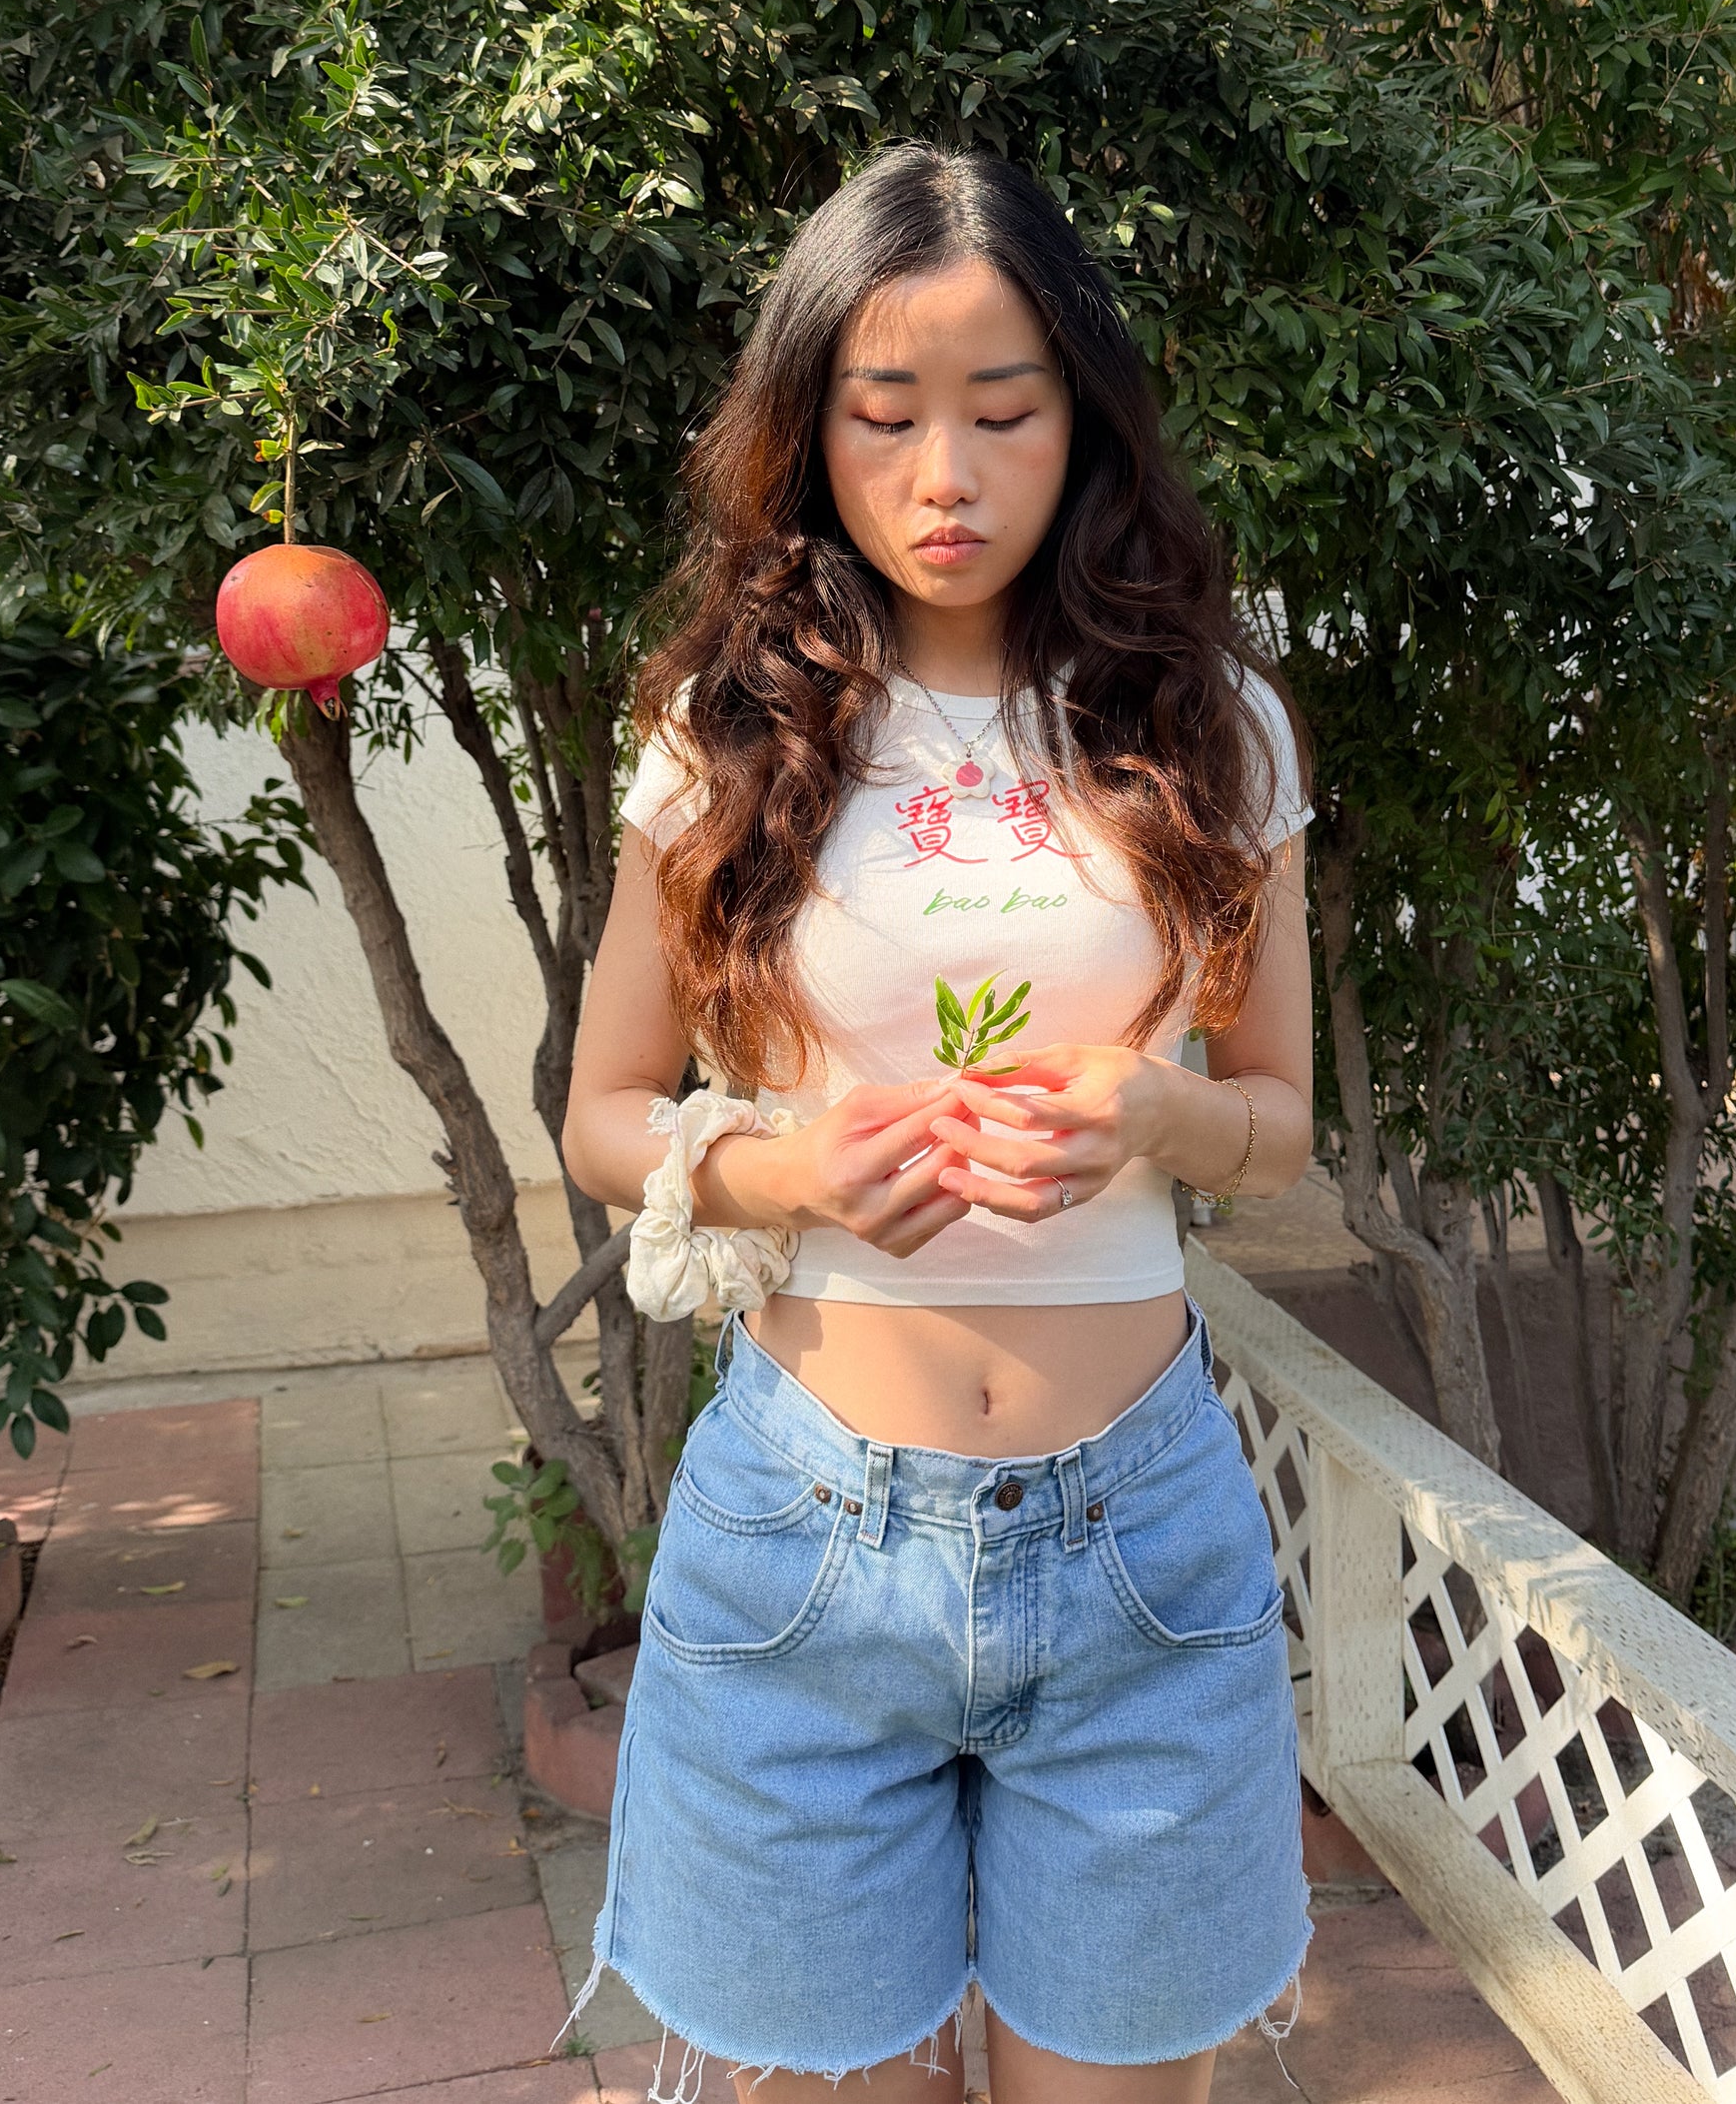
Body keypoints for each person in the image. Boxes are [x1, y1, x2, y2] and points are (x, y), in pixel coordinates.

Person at [561, 142, 1314, 2102]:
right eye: (886, 417)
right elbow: (601, 1114)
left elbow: (1282, 1122)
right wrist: (782, 1162)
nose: (945, 477)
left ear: (1084, 416)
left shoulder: (1204, 721)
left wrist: (1158, 1109)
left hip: (1139, 1546)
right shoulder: (725, 732)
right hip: (807, 1544)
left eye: (1003, 411)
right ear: (811, 430)